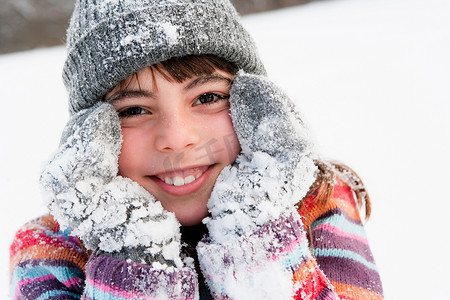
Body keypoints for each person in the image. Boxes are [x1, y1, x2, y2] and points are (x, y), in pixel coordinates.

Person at [9, 0, 384, 299]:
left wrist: (254, 238)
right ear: (91, 136)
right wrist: (136, 260)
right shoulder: (47, 252)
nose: (177, 137)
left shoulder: (319, 204)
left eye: (207, 97)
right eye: (134, 110)